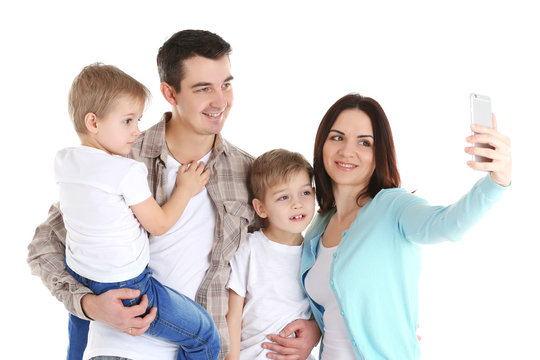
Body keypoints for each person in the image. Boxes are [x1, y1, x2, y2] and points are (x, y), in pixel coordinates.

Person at [27, 29, 320, 360]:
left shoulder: (247, 173)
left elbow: (276, 261)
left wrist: (314, 326)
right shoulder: (120, 160)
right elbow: (43, 247)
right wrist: (88, 303)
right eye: (203, 89)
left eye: (225, 84)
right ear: (170, 92)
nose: (221, 101)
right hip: (120, 348)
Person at [300, 93, 512, 359]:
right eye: (337, 137)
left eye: (364, 142)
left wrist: (497, 181)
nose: (347, 151)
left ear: (380, 153)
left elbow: (448, 225)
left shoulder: (393, 207)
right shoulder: (317, 223)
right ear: (322, 144)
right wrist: (312, 328)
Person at [57, 62, 220, 360]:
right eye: (128, 121)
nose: (137, 131)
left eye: (138, 120)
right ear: (93, 123)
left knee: (78, 333)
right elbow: (158, 224)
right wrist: (184, 188)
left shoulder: (64, 162)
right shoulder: (126, 170)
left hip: (82, 277)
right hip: (128, 286)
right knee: (206, 335)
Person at [225, 149, 316, 360]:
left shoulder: (315, 252)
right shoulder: (250, 248)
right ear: (261, 208)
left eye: (305, 193)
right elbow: (234, 315)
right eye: (284, 197)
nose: (297, 203)